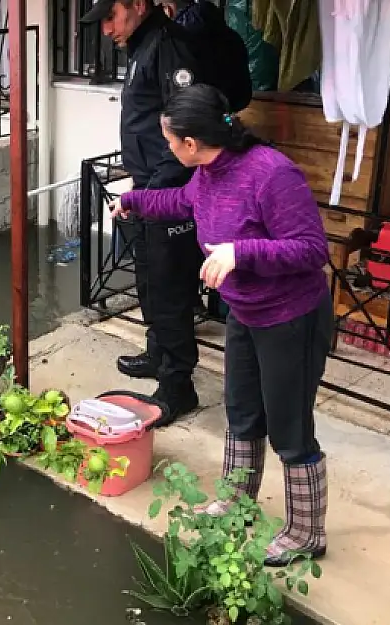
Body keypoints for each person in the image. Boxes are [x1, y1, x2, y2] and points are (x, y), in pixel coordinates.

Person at [109, 84, 332, 566]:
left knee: (290, 430)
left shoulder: (272, 175)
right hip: (246, 314)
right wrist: (136, 203)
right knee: (243, 414)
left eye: (170, 140)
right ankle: (236, 503)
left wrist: (240, 252)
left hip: (291, 318)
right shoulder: (208, 172)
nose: (166, 147)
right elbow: (183, 203)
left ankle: (306, 534)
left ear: (191, 143)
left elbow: (314, 250)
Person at [80, 0, 251, 421]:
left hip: (169, 193)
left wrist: (155, 191)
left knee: (170, 291)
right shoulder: (143, 46)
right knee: (151, 284)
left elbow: (186, 130)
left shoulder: (168, 47)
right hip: (148, 190)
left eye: (110, 16)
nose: (105, 29)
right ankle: (159, 355)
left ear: (138, 5)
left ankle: (177, 387)